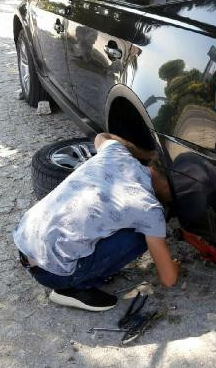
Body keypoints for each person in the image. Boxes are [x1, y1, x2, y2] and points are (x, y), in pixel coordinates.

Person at [13, 133, 179, 312]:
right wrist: (173, 266)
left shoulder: (115, 153)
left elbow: (102, 136)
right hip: (50, 274)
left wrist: (145, 154)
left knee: (121, 221)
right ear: (171, 185)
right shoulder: (149, 208)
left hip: (24, 241)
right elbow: (169, 280)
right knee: (141, 236)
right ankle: (73, 288)